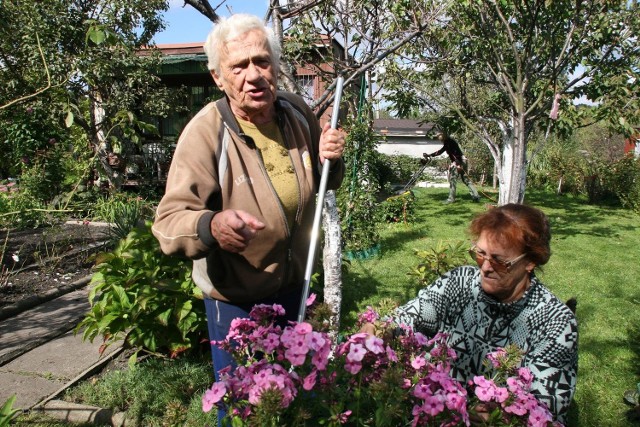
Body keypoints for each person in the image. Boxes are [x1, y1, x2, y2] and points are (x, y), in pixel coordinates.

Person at [151, 13, 346, 419]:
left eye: (261, 61)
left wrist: (332, 157)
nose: (254, 75)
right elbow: (169, 223)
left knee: (294, 397)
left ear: (276, 66)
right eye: (238, 66)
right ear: (218, 77)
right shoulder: (205, 132)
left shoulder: (294, 112)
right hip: (236, 302)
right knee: (244, 409)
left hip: (295, 286)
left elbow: (323, 180)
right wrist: (211, 226)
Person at [363, 204, 578, 422]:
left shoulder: (555, 321)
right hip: (433, 410)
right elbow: (415, 315)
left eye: (499, 261)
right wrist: (381, 328)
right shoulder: (460, 282)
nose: (485, 268)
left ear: (530, 262)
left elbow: (547, 405)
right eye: (480, 254)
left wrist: (498, 415)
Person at [423, 131, 480, 203]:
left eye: (439, 138)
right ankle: (476, 196)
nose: (439, 139)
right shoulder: (450, 142)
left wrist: (457, 163)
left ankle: (451, 199)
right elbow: (440, 151)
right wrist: (430, 155)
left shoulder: (449, 142)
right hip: (463, 160)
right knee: (466, 180)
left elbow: (457, 152)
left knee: (453, 180)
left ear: (442, 137)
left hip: (458, 161)